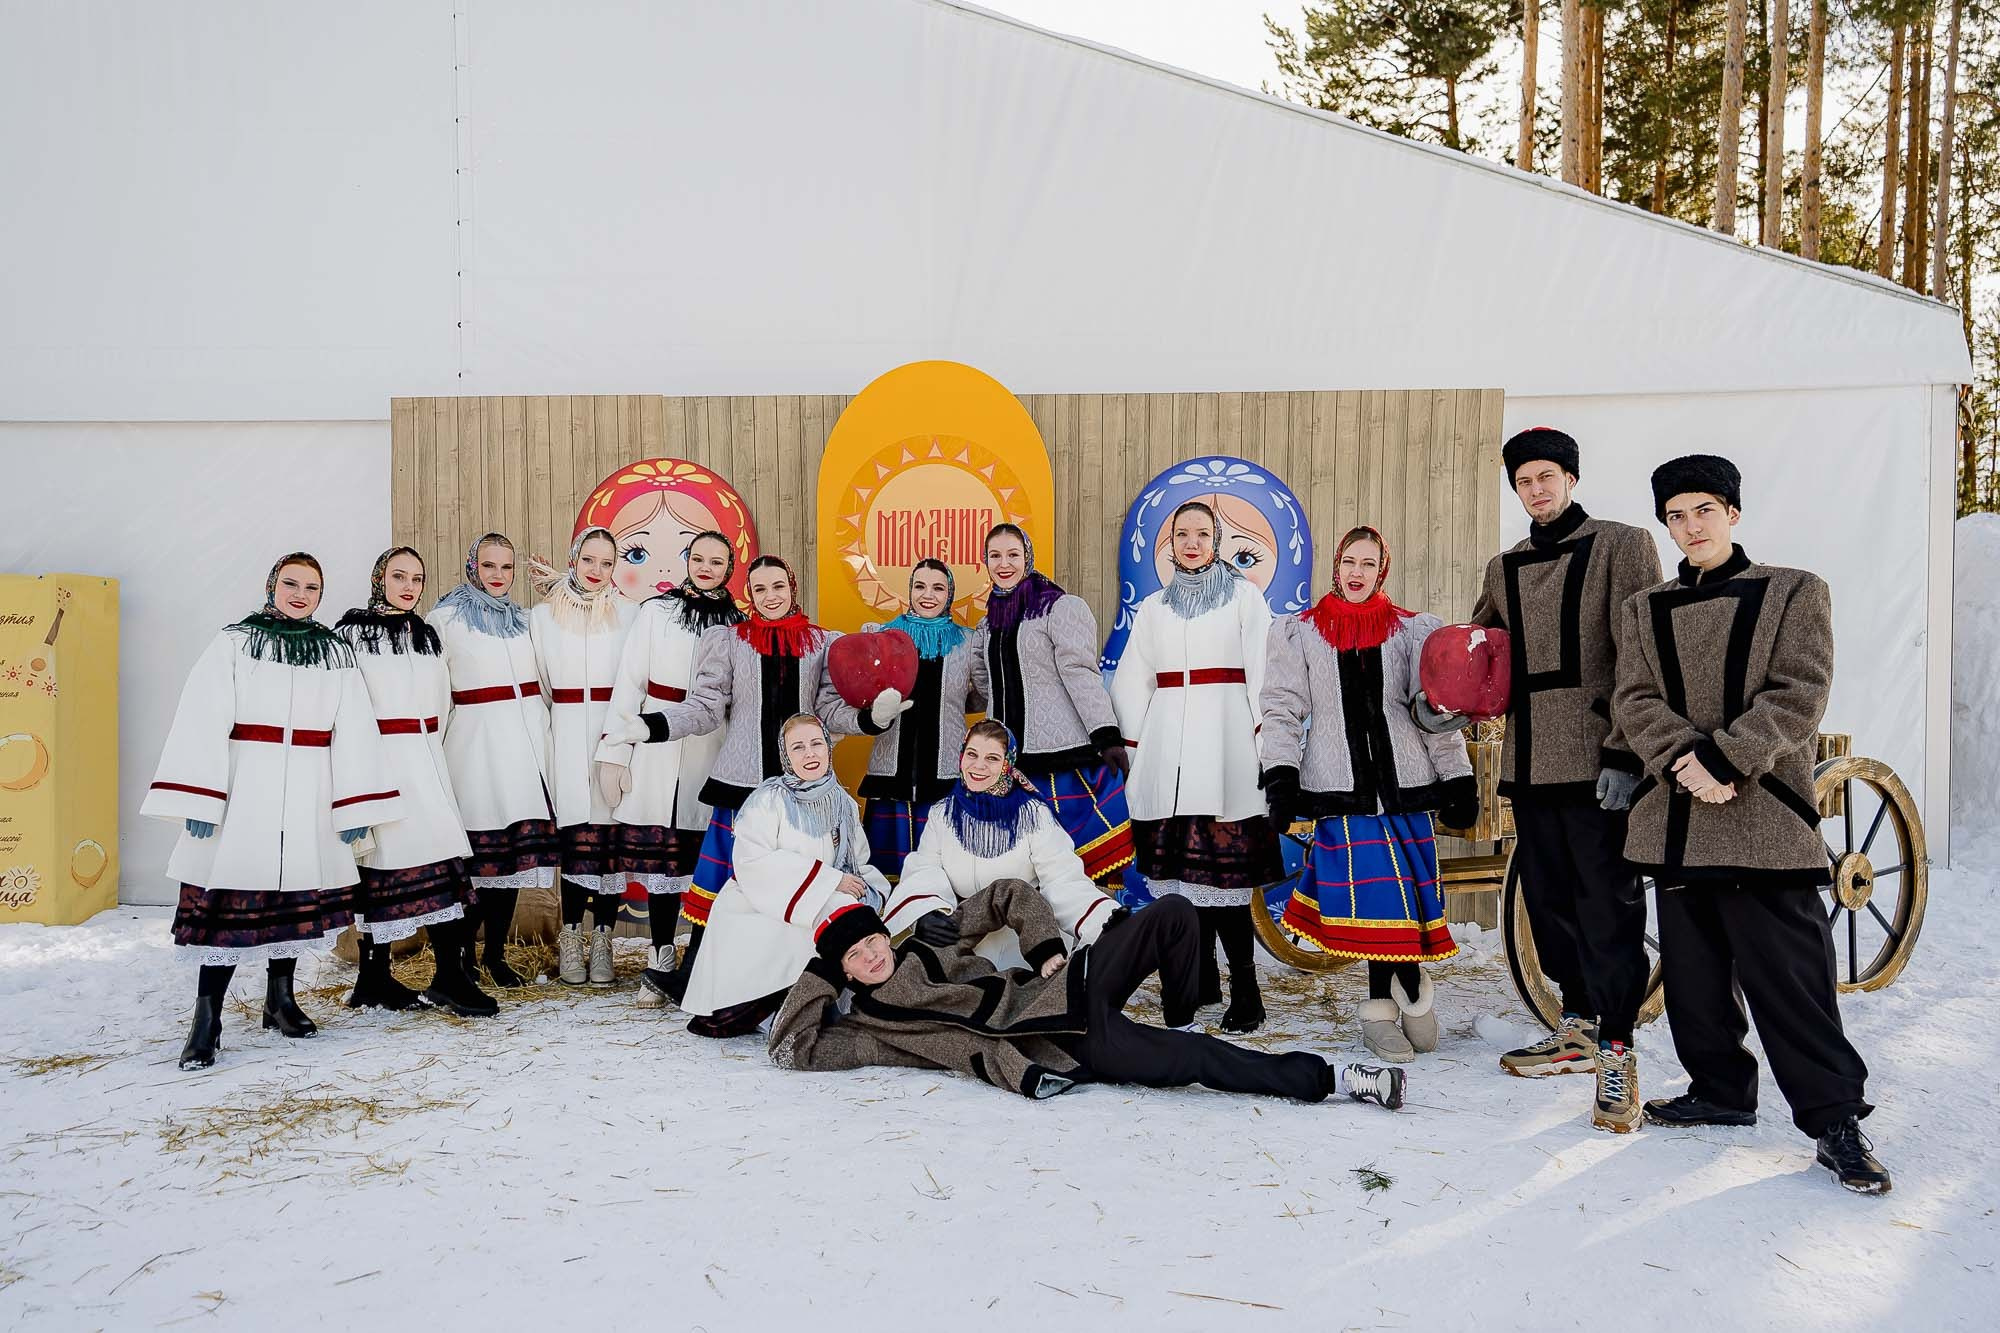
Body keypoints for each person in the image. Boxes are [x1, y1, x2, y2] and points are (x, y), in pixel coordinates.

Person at [1614, 455, 1888, 1193]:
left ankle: (1835, 1121)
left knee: (1790, 982)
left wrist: (1727, 759)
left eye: (1704, 509)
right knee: (1695, 975)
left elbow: (1800, 691)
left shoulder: (1795, 591)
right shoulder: (1643, 608)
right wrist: (1685, 760)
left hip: (1763, 814)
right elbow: (1633, 699)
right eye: (1675, 514)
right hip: (1677, 812)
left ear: (1733, 512)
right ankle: (1720, 1091)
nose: (1690, 525)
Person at [1451, 428, 1661, 1132]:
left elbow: (1644, 655)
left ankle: (1618, 1053)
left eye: (1547, 476)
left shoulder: (1622, 545)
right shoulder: (1504, 566)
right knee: (1548, 904)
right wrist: (1437, 689)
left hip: (1600, 759)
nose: (1536, 489)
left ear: (1570, 476)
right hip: (1530, 762)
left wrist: (1626, 753)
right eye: (1524, 481)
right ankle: (1575, 1028)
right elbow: (1478, 653)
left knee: (1608, 909)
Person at [768, 881, 1406, 1111]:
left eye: (872, 941)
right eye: (856, 957)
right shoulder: (873, 1029)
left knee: (1175, 912)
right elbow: (792, 1048)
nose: (873, 956)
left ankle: (1180, 1008)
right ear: (846, 973)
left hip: (1062, 987)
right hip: (1068, 1043)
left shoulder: (926, 943)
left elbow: (1008, 893)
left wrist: (1045, 944)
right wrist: (821, 973)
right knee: (1199, 1063)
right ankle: (1342, 1080)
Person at [145, 553, 403, 1069]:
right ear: (272, 585)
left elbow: (354, 730)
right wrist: (201, 795)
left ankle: (280, 999)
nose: (301, 593)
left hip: (310, 787)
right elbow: (201, 714)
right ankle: (207, 1017)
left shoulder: (335, 653)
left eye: (312, 586)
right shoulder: (236, 642)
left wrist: (354, 804)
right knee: (229, 904)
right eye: (291, 583)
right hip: (247, 789)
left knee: (292, 900)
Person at [603, 554, 902, 999]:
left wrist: (872, 719)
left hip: (803, 794)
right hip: (742, 787)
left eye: (778, 586)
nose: (770, 596)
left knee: (799, 885)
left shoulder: (822, 644)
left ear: (792, 587)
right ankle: (693, 978)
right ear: (750, 594)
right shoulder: (728, 641)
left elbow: (830, 713)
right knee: (719, 892)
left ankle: (793, 984)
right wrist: (651, 725)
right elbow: (705, 709)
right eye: (760, 589)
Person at [1261, 526, 1477, 1060]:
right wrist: (1281, 778)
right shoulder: (1300, 632)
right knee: (1378, 906)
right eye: (1349, 562)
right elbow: (1281, 708)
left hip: (1405, 787)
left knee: (1404, 904)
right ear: (1336, 566)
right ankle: (1393, 999)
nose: (1357, 572)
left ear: (1383, 568)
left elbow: (1436, 716)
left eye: (1368, 563)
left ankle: (1400, 992)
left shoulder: (1412, 631)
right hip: (1341, 792)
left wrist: (1458, 777)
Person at [1110, 500, 1283, 1033]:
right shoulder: (1156, 608)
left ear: (1216, 539)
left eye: (1201, 533)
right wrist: (1137, 753)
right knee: (1181, 882)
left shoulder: (1244, 599)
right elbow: (1131, 680)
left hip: (1228, 747)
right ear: (1170, 545)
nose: (1191, 542)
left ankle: (1246, 993)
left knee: (1224, 887)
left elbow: (1264, 674)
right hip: (1168, 749)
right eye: (1181, 534)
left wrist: (1264, 749)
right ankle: (1195, 982)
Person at [336, 547, 495, 1017]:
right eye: (398, 576)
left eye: (417, 578)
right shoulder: (351, 635)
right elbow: (344, 707)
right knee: (379, 869)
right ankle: (373, 977)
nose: (408, 586)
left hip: (427, 762)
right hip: (378, 764)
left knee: (444, 864)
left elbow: (442, 703)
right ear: (378, 578)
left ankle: (447, 976)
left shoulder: (426, 636)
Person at [595, 530, 744, 1005]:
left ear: (729, 568)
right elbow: (629, 683)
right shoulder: (656, 611)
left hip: (712, 744)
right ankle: (660, 955)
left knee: (702, 861)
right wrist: (614, 751)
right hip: (655, 739)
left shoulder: (740, 623)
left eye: (716, 561)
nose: (705, 567)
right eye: (697, 558)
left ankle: (702, 961)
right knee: (659, 862)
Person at [679, 714, 893, 1037]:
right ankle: (782, 1007)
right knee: (825, 919)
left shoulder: (844, 805)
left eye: (816, 744)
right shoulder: (769, 800)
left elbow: (859, 863)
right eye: (798, 747)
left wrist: (869, 889)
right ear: (786, 756)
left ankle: (833, 1000)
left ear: (828, 750)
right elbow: (752, 862)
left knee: (847, 915)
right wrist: (829, 881)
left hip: (816, 902)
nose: (810, 754)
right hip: (759, 906)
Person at [883, 719, 1119, 969]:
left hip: (1025, 943)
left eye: (993, 758)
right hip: (964, 934)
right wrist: (926, 913)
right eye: (972, 754)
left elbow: (1062, 879)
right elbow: (925, 867)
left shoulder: (1033, 814)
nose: (978, 766)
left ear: (1008, 763)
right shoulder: (943, 814)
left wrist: (1102, 920)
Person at [431, 533, 555, 989]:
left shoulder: (524, 621)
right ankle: (461, 957)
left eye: (506, 567)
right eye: (489, 566)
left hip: (524, 749)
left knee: (512, 864)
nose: (498, 576)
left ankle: (495, 955)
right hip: (474, 748)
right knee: (477, 866)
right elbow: (435, 691)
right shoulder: (444, 619)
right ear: (472, 567)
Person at [976, 523, 1132, 882]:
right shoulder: (988, 623)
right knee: (1022, 865)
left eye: (1013, 555)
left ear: (1027, 558)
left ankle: (1094, 933)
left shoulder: (1058, 608)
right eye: (995, 556)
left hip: (1060, 758)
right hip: (1010, 765)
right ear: (985, 562)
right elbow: (985, 683)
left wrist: (1106, 735)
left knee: (1077, 866)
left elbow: (1080, 673)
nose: (1004, 564)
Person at [530, 525, 641, 987]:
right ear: (573, 559)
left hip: (613, 736)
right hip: (568, 734)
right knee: (579, 840)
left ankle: (604, 941)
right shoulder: (542, 616)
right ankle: (571, 937)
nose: (597, 571)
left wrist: (625, 742)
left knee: (609, 844)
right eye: (589, 560)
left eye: (607, 563)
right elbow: (539, 685)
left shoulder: (630, 615)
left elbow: (637, 680)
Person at [857, 559, 989, 879]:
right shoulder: (884, 637)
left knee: (946, 870)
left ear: (950, 594)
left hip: (945, 770)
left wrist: (952, 705)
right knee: (888, 874)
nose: (928, 594)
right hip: (892, 772)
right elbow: (864, 696)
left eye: (938, 587)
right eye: (920, 586)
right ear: (910, 590)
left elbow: (983, 693)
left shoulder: (968, 640)